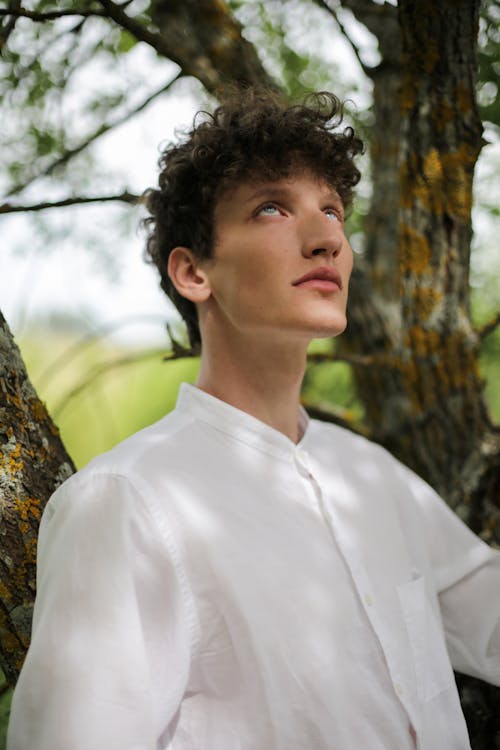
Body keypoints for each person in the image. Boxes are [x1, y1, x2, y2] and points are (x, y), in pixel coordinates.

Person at [7, 88, 500, 750]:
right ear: (193, 272)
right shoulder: (124, 504)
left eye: (333, 210)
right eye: (273, 208)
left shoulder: (376, 477)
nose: (327, 236)